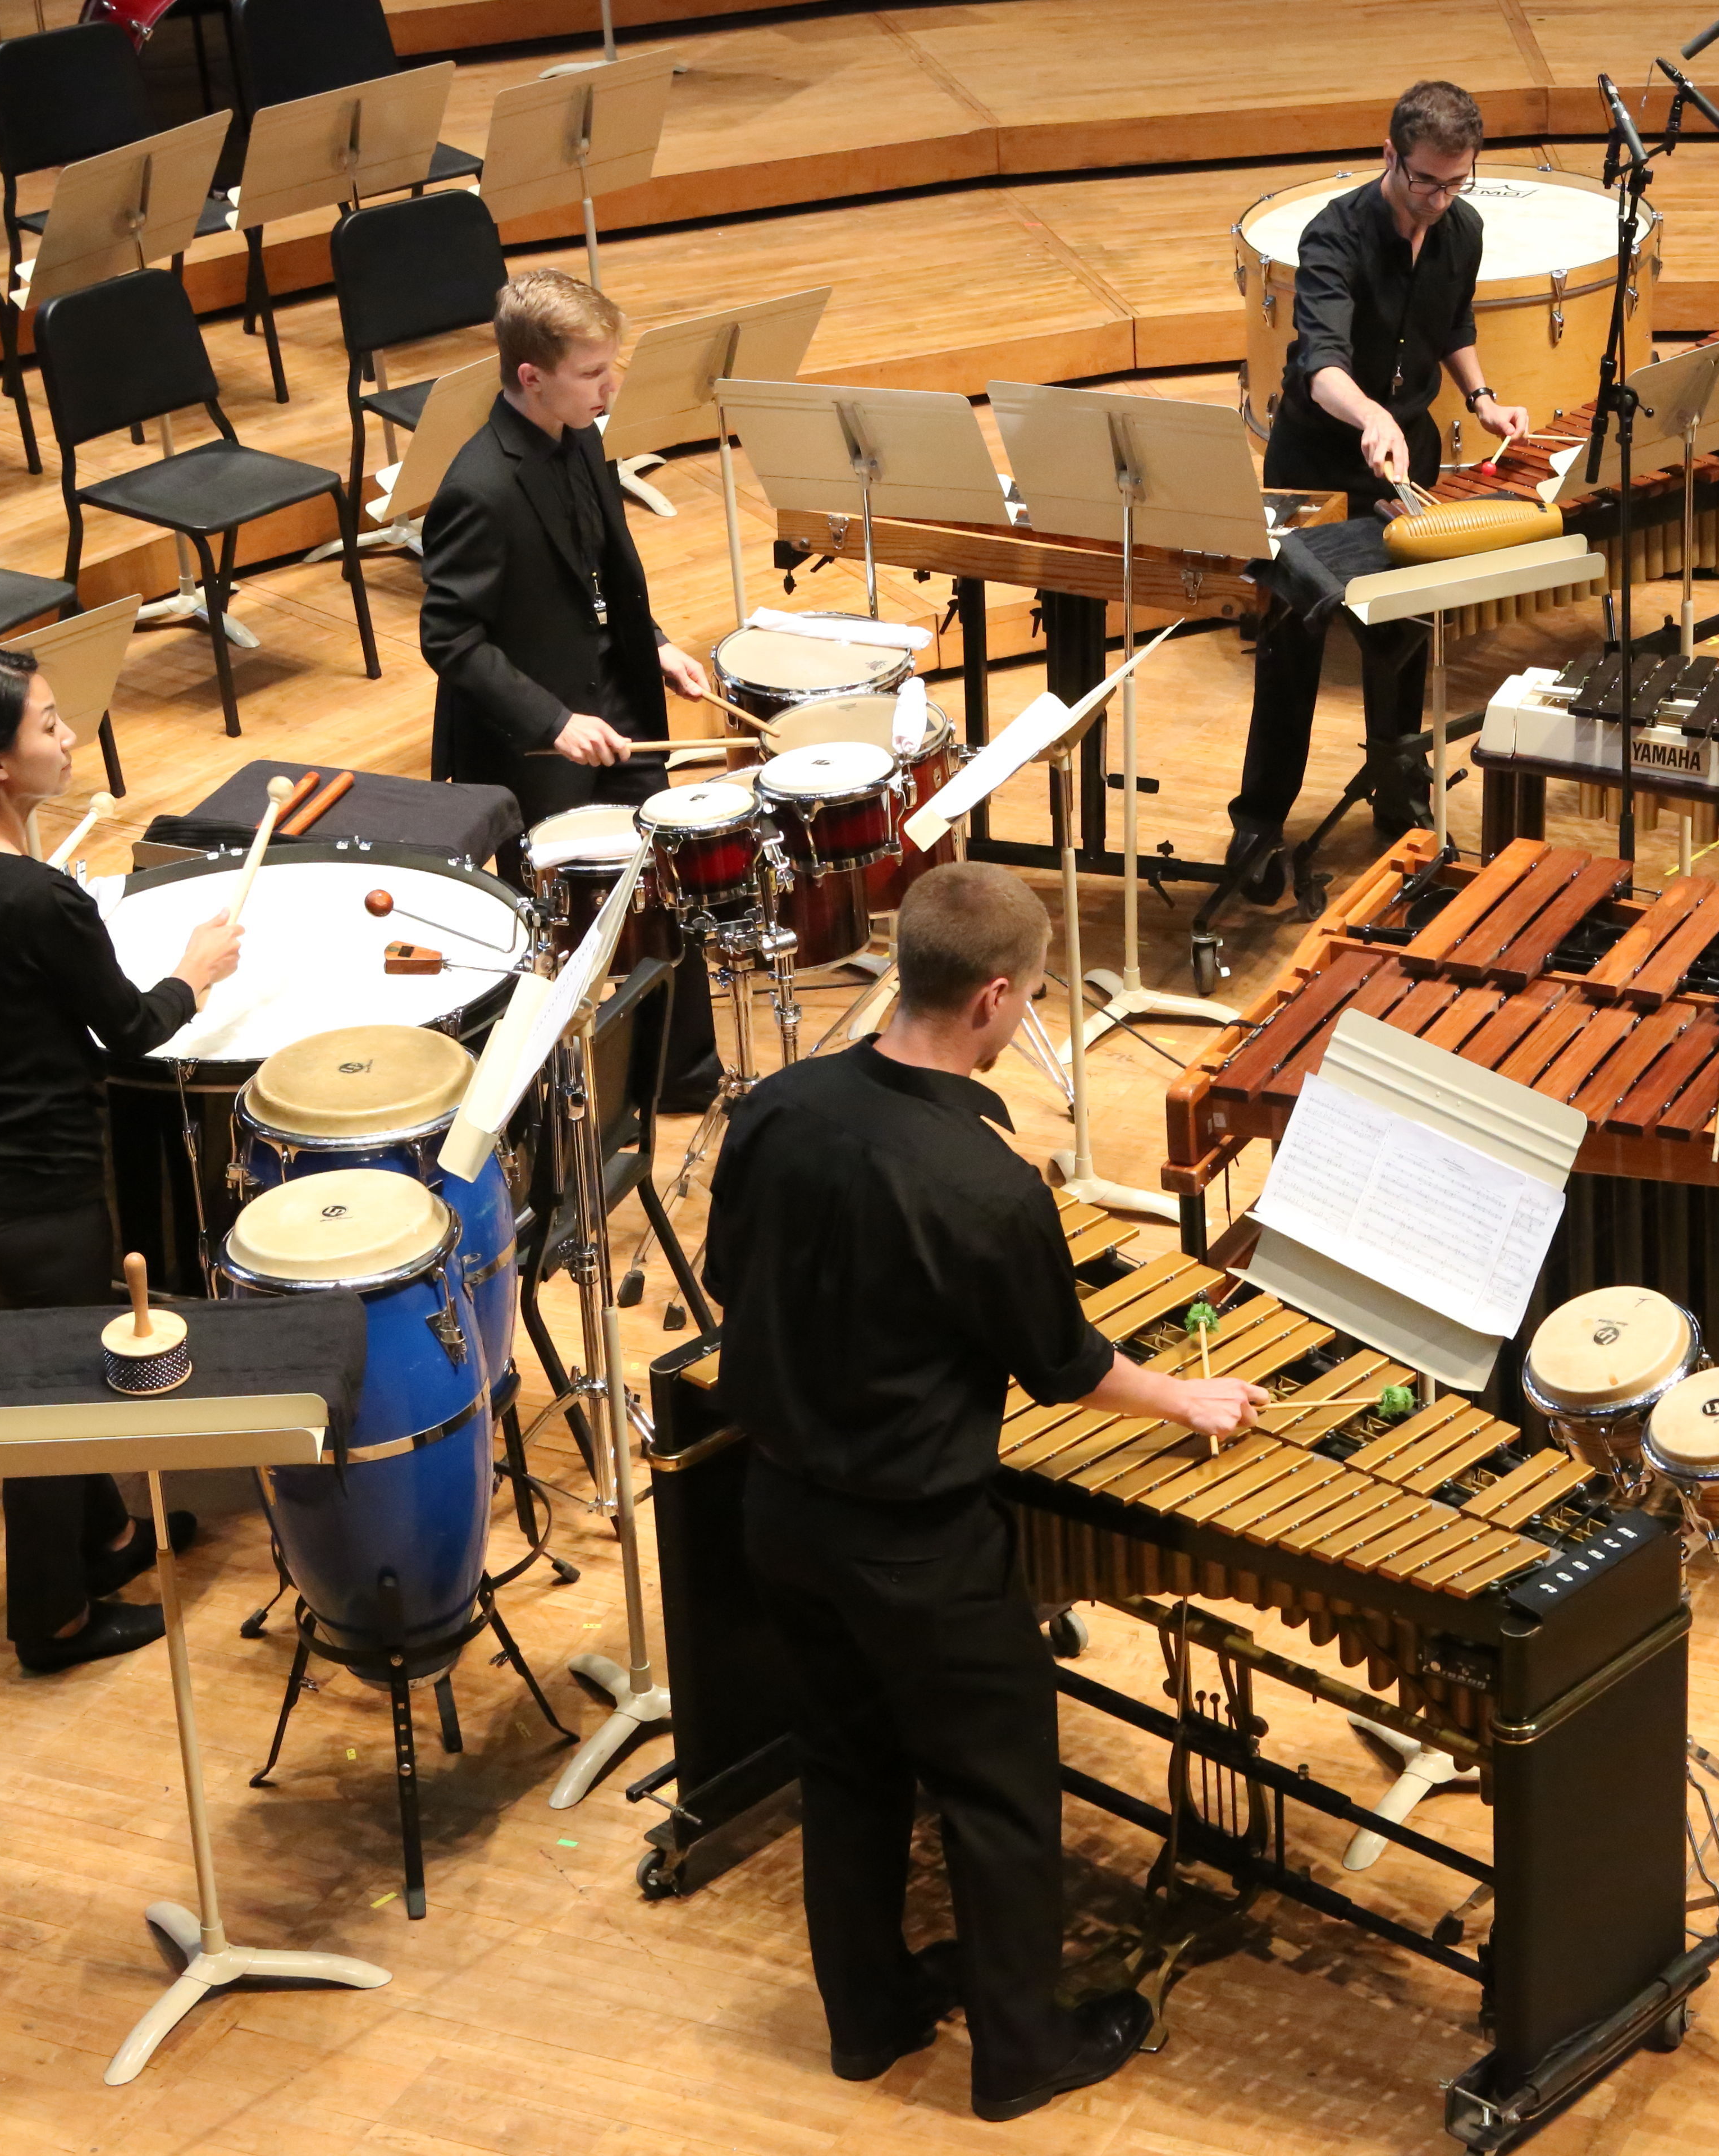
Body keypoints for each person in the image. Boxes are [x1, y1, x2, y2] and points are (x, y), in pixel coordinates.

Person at [703, 862, 1265, 2121]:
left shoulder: (778, 1109)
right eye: (1034, 998)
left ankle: (871, 2019)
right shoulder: (989, 1185)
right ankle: (1022, 2054)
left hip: (782, 1517)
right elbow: (1060, 1364)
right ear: (994, 996)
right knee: (1000, 1795)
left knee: (847, 1768)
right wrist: (1185, 1397)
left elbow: (732, 1273)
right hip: (917, 1548)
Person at [0, 649, 240, 1673]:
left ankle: (108, 1540)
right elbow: (128, 1030)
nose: (68, 733)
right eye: (46, 725)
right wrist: (193, 975)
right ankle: (53, 1620)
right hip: (35, 1194)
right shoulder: (37, 901)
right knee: (53, 1401)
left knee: (44, 1359)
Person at [419, 267, 719, 1102]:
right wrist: (553, 719)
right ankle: (548, 1100)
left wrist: (651, 643)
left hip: (616, 697)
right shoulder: (478, 488)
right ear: (531, 377)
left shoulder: (581, 436)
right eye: (594, 373)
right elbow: (449, 638)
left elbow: (601, 572)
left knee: (664, 882)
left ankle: (681, 1076)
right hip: (534, 740)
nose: (612, 385)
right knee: (553, 931)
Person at [1226, 79, 1530, 898]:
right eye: (1425, 180)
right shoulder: (1334, 237)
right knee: (1289, 645)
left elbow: (1453, 325)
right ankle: (1259, 820)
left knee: (1408, 627)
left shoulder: (1461, 228)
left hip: (1407, 451)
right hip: (1318, 460)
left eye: (1455, 181)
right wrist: (1369, 417)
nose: (1438, 199)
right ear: (1388, 154)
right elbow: (1319, 361)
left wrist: (1483, 399)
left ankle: (1397, 785)